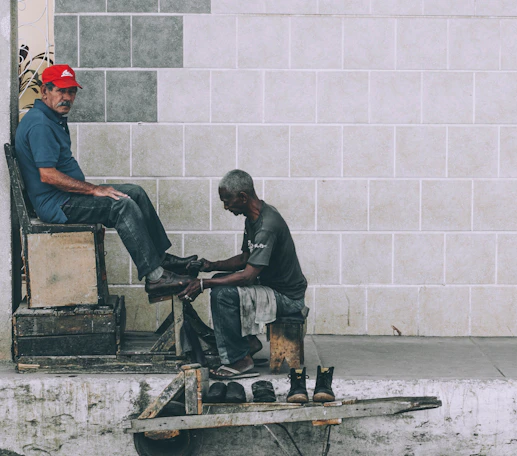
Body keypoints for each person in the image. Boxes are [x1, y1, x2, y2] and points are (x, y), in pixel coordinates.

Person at [15, 64, 193, 302]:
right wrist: (94, 189)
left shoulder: (51, 117)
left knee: (134, 193)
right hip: (57, 204)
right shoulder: (40, 124)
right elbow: (48, 175)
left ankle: (160, 259)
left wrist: (92, 190)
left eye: (72, 91)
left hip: (66, 197)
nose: (67, 97)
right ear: (44, 91)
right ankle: (155, 277)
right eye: (61, 91)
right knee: (121, 205)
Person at [179, 169, 308, 379]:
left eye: (227, 200)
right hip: (270, 288)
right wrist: (211, 266)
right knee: (218, 281)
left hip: (288, 298)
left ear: (243, 197)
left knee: (222, 294)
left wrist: (203, 285)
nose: (225, 206)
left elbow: (247, 276)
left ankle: (240, 360)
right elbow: (245, 258)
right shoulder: (253, 218)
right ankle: (248, 343)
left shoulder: (267, 225)